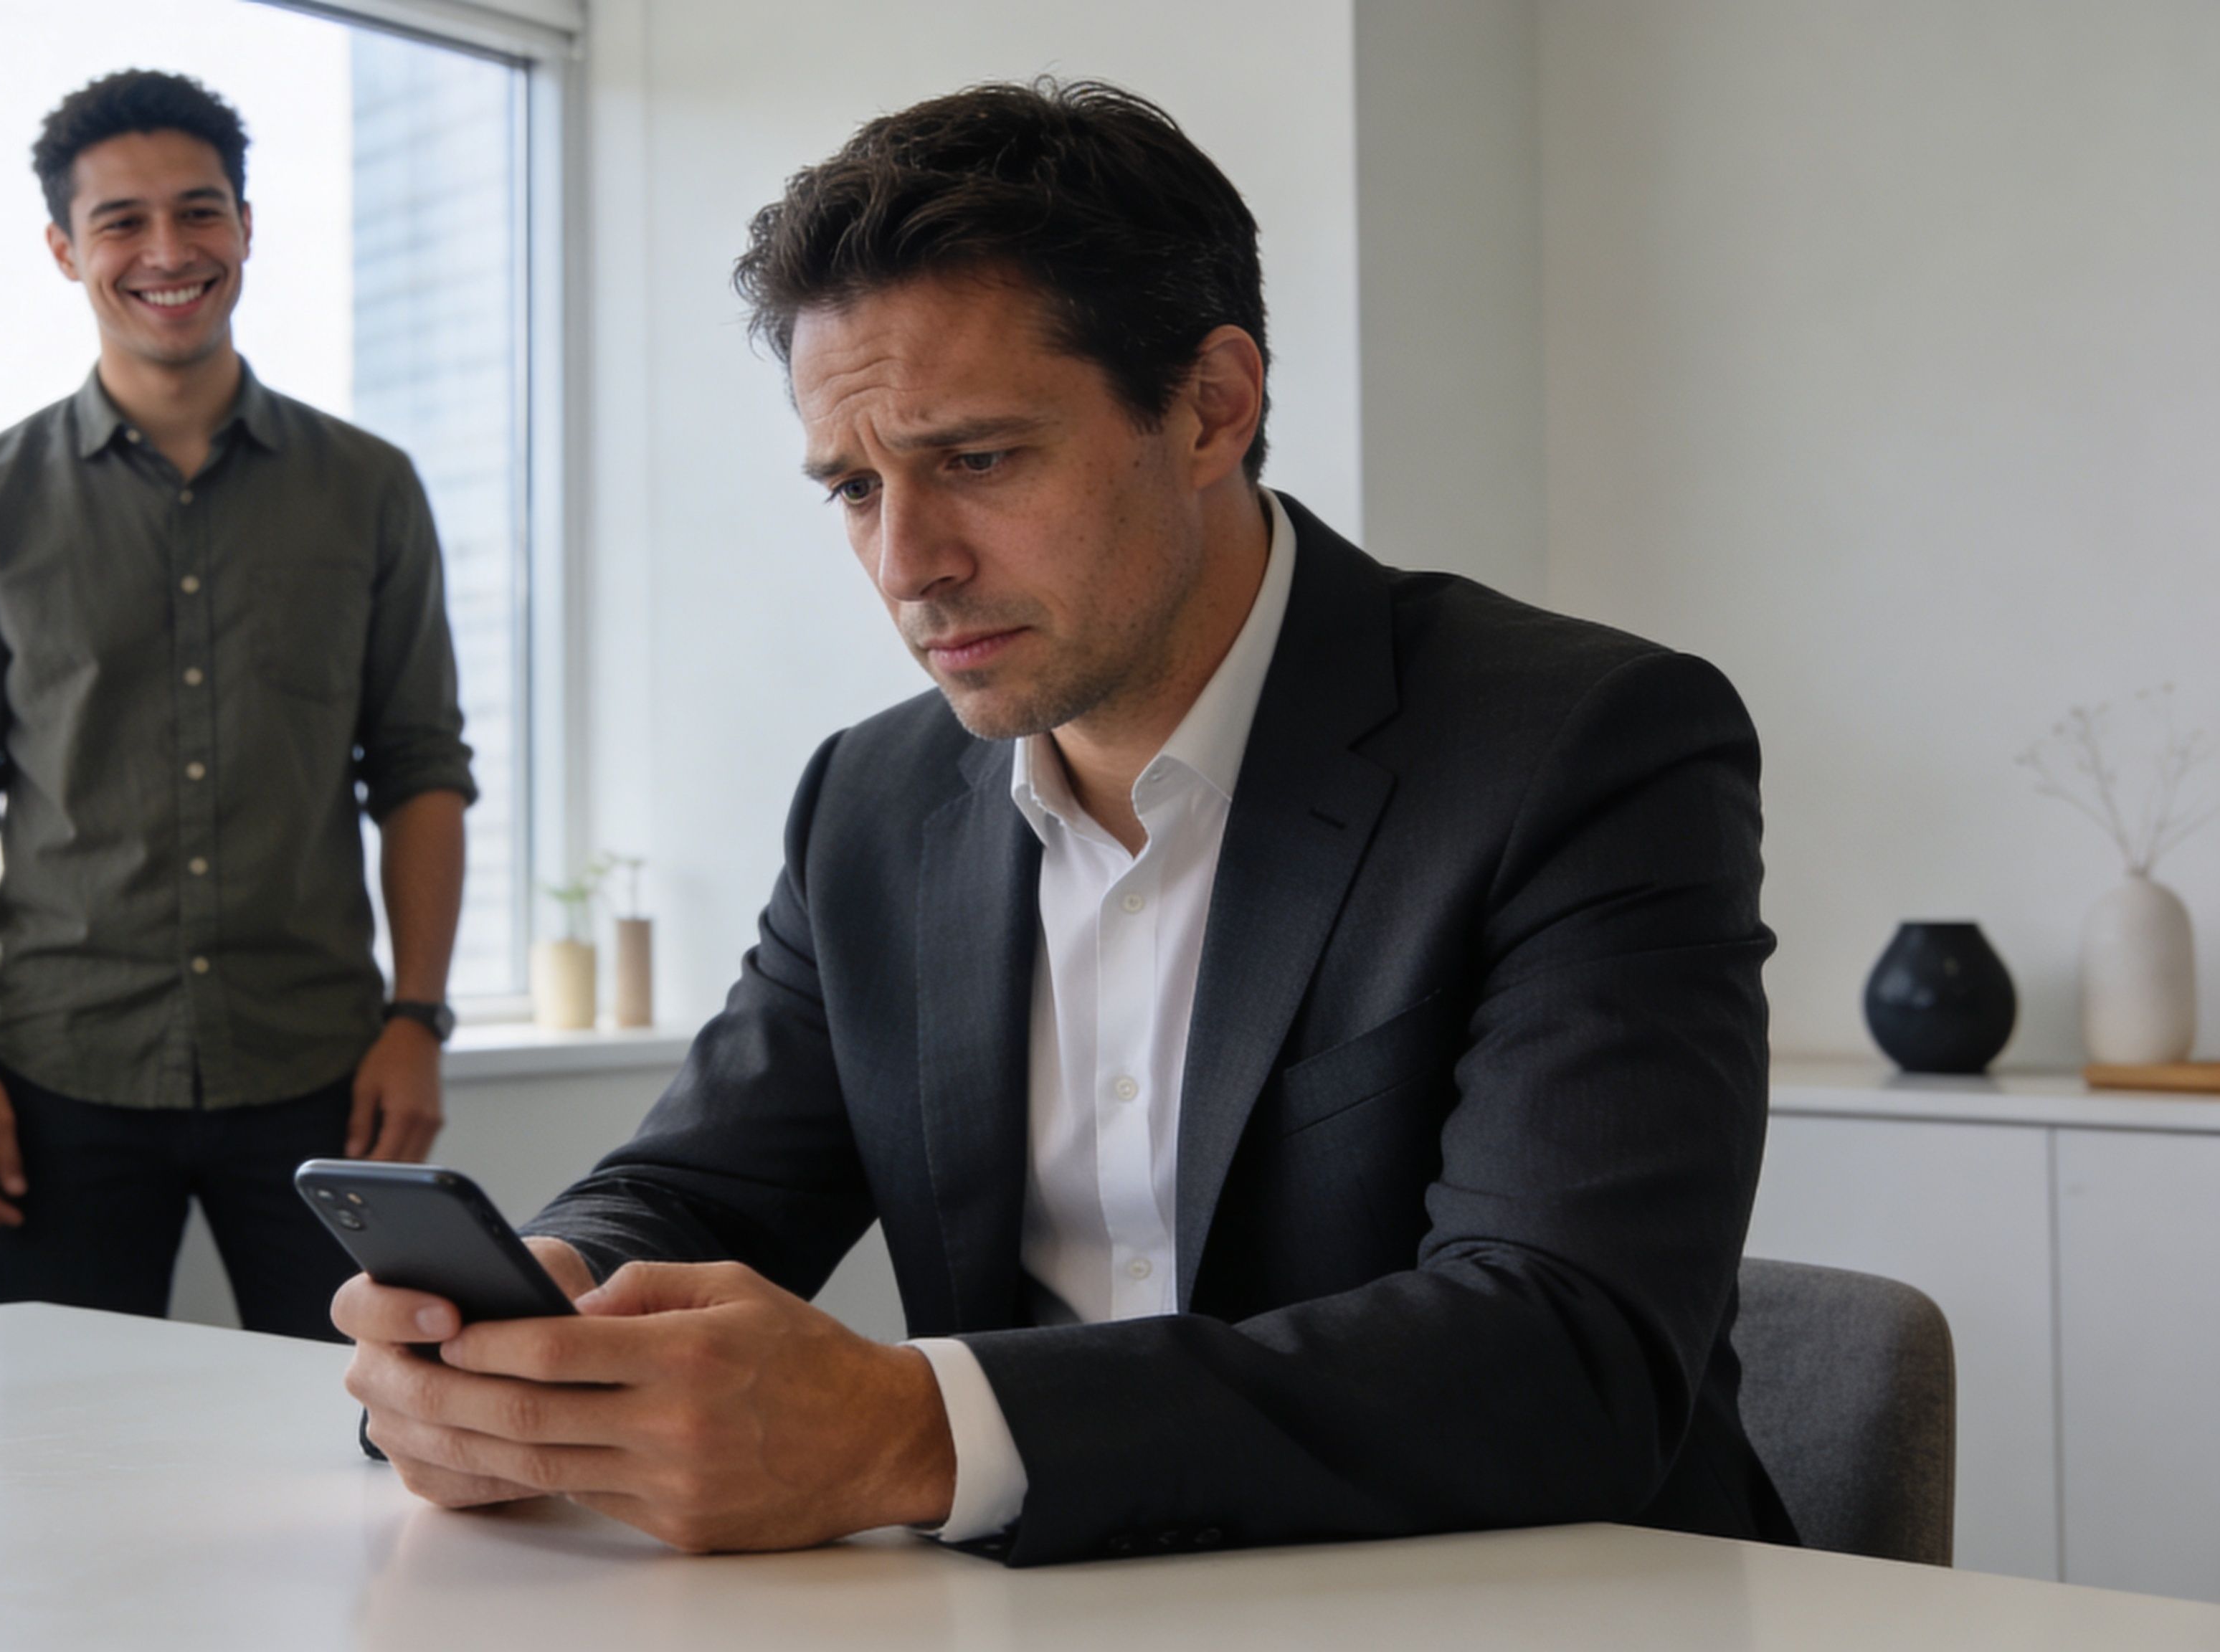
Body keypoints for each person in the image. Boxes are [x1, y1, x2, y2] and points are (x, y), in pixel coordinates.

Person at [333, 79, 1795, 1564]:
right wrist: (531, 1318)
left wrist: (910, 1428)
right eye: (852, 486)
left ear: (1211, 406)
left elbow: (1567, 1356)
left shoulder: (1579, 746)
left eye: (974, 459)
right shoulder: (870, 800)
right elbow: (701, 1183)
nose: (907, 564)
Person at [0, 70, 475, 1340]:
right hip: (61, 1074)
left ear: (247, 229)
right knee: (65, 1452)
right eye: (122, 222)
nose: (167, 252)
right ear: (65, 249)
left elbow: (421, 766)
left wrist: (416, 1021)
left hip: (320, 1070)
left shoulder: (368, 488)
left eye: (200, 213)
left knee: (364, 1432)